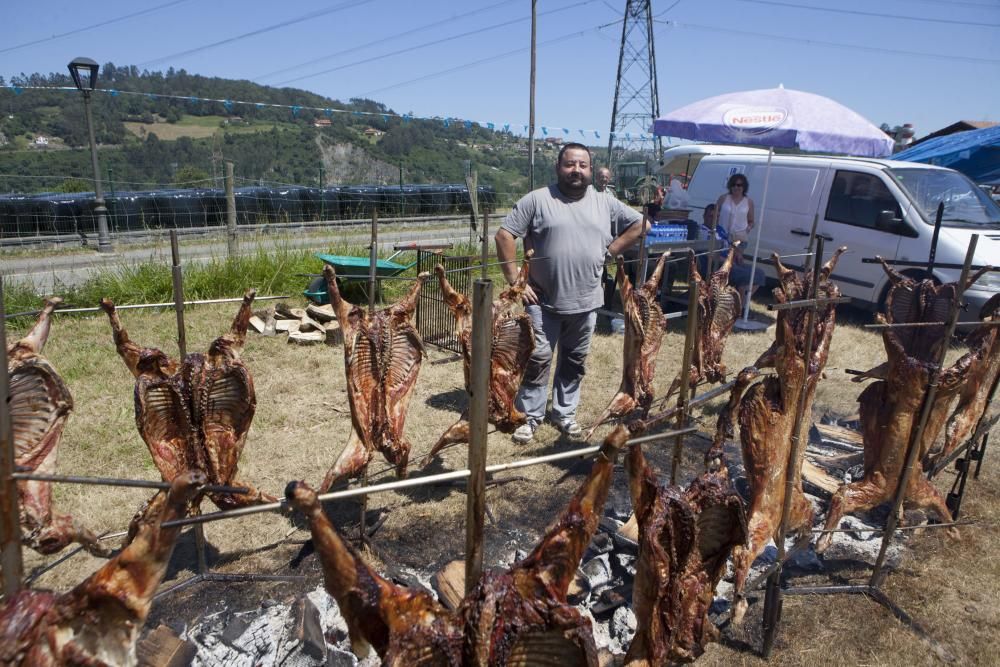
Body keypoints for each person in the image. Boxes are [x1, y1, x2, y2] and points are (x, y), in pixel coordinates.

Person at [495, 143, 647, 443]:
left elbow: (641, 224)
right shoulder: (537, 200)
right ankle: (529, 416)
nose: (576, 170)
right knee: (538, 358)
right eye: (570, 164)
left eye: (582, 165)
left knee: (574, 360)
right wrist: (517, 282)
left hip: (587, 300)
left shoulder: (606, 203)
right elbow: (504, 235)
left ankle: (564, 413)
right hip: (543, 300)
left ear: (590, 170)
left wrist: (612, 249)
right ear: (558, 167)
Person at [713, 173, 755, 244]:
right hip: (721, 237)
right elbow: (714, 215)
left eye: (739, 185)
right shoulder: (723, 198)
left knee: (736, 255)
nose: (736, 187)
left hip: (739, 239)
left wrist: (747, 229)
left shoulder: (749, 202)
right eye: (733, 184)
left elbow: (751, 221)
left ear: (744, 187)